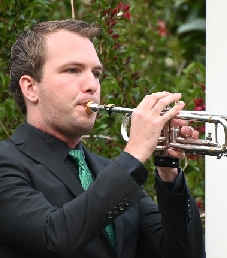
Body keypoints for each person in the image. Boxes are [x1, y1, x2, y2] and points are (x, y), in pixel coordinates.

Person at [0, 19, 205, 258]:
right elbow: (54, 237)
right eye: (72, 70)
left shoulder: (107, 171)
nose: (92, 85)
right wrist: (136, 152)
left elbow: (181, 254)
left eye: (96, 73)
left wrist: (168, 170)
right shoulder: (7, 163)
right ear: (30, 88)